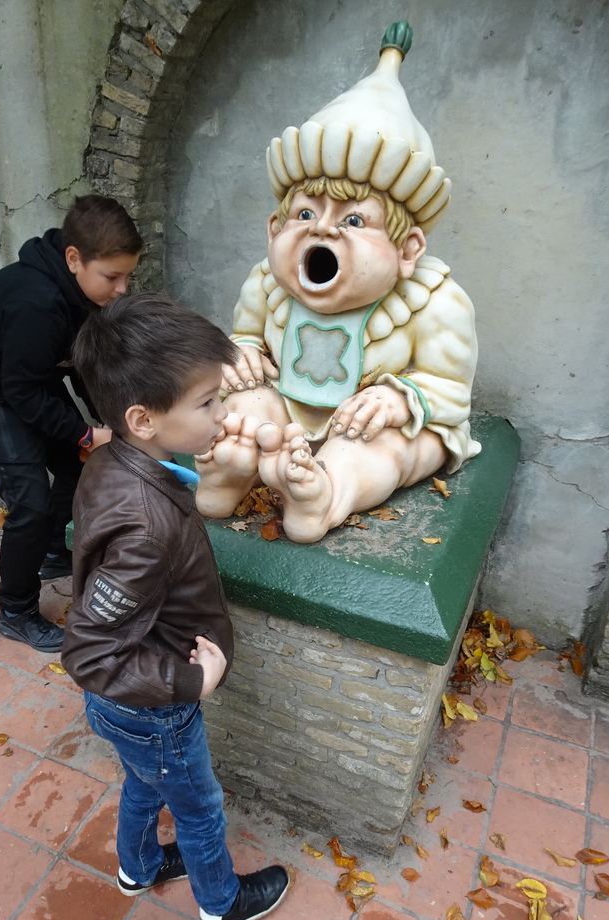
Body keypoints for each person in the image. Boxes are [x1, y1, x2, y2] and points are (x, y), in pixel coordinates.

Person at [194, 23, 480, 543]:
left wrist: (400, 401)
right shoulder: (267, 286)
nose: (322, 229)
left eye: (354, 221)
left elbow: (451, 389)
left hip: (377, 424)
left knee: (380, 449)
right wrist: (242, 351)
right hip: (290, 403)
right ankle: (229, 471)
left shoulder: (434, 304)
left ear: (407, 251)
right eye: (304, 213)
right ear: (274, 230)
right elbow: (244, 338)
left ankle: (323, 494)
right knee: (246, 409)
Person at [61, 293, 290, 920]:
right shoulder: (145, 525)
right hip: (154, 706)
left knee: (146, 783)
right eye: (207, 403)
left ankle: (135, 865)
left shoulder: (117, 458)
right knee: (198, 805)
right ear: (144, 417)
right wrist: (190, 683)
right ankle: (220, 902)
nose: (222, 414)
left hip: (132, 711)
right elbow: (90, 653)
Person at [0, 195, 142, 652]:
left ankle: (53, 551)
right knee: (28, 501)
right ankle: (15, 611)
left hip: (26, 375)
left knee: (76, 463)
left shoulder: (82, 296)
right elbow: (21, 391)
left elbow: (79, 366)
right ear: (74, 259)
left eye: (128, 274)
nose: (123, 288)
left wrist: (112, 421)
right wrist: (88, 433)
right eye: (113, 276)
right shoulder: (38, 303)